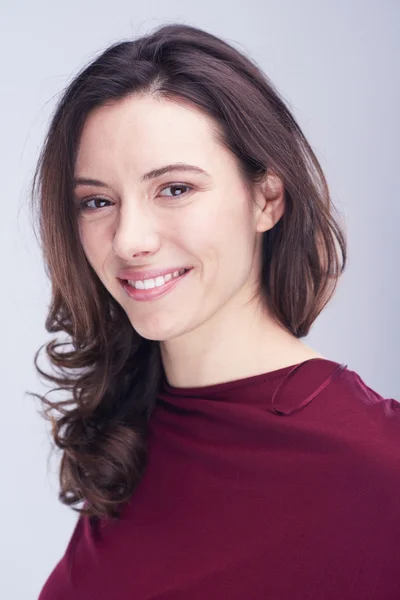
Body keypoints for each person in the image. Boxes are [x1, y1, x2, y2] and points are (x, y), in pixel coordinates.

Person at [31, 23, 400, 600]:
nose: (128, 240)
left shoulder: (378, 470)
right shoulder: (134, 428)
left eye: (174, 189)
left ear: (266, 198)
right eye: (97, 201)